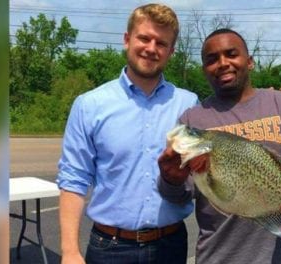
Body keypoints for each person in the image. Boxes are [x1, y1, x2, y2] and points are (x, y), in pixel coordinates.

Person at [158, 28, 281, 264]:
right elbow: (178, 196)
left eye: (231, 54)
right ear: (204, 70)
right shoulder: (192, 120)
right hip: (217, 256)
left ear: (250, 61)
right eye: (212, 59)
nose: (223, 63)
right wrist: (171, 180)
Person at [56, 4, 199, 264]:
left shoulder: (189, 105)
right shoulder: (90, 105)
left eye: (161, 43)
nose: (151, 48)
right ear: (127, 39)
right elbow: (73, 178)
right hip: (110, 248)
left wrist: (273, 104)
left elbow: (218, 149)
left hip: (171, 245)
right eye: (144, 38)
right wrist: (69, 252)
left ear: (171, 51)